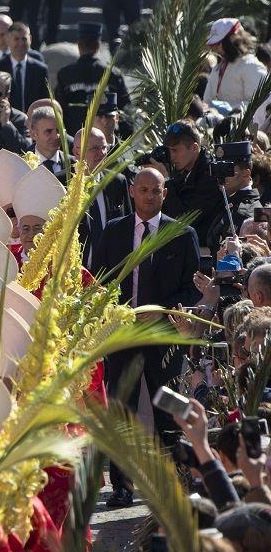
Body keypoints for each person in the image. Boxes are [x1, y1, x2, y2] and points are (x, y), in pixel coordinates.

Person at [92, 168, 200, 507]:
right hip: (123, 337)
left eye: (156, 190)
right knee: (121, 410)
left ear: (165, 193)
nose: (149, 196)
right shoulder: (113, 231)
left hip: (164, 338)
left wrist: (165, 310)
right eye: (143, 189)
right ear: (132, 193)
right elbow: (100, 280)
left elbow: (193, 290)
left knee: (167, 410)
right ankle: (122, 487)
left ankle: (174, 485)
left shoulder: (182, 234)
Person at [150, 120, 224, 259]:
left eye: (176, 150)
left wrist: (165, 180)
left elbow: (185, 218)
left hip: (201, 254)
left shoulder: (210, 176)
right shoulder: (185, 170)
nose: (172, 157)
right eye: (169, 150)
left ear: (194, 148)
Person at [54, 22, 132, 135]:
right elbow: (125, 110)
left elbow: (58, 110)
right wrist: (125, 139)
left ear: (79, 45)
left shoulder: (66, 74)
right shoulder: (113, 74)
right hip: (105, 143)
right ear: (98, 45)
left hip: (74, 142)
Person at [76, 127, 131, 266]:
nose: (101, 153)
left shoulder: (117, 182)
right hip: (74, 274)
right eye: (94, 148)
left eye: (104, 148)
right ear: (77, 151)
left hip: (110, 273)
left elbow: (128, 226)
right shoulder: (61, 183)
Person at [204, 18, 269, 114]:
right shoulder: (218, 68)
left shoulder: (251, 66)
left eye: (218, 44)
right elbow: (207, 100)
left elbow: (262, 104)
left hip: (242, 128)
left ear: (233, 40)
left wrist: (231, 110)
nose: (214, 49)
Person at [206, 142, 261, 253]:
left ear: (246, 174)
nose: (221, 176)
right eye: (219, 169)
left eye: (228, 170)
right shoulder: (228, 200)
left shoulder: (248, 212)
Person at [0, 22, 49, 112]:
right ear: (7, 40)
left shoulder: (40, 69)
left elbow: (45, 101)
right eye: (16, 39)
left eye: (24, 39)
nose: (20, 43)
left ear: (30, 39)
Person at [28, 106, 67, 180]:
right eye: (48, 131)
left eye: (59, 130)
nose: (56, 136)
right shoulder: (22, 166)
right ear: (33, 134)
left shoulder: (74, 165)